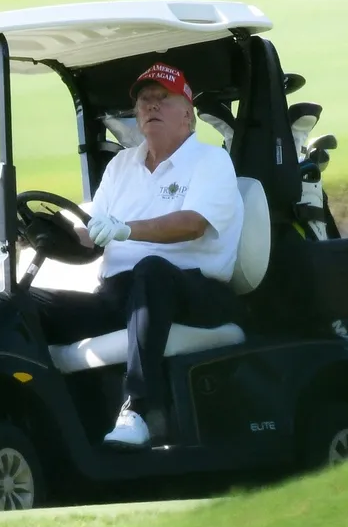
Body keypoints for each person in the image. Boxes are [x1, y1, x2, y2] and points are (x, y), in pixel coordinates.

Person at [27, 62, 247, 449]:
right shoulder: (121, 166)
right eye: (145, 100)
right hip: (121, 297)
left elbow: (193, 223)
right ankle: (37, 415)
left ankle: (140, 408)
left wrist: (128, 229)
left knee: (151, 272)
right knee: (24, 304)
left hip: (194, 291)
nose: (152, 107)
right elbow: (91, 236)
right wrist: (44, 235)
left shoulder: (211, 162)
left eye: (164, 98)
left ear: (188, 114)